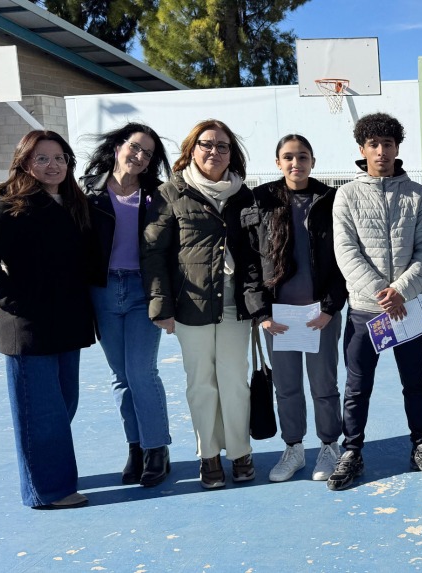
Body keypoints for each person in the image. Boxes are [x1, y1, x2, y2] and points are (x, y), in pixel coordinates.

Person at [0, 130, 96, 509]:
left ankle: (46, 472)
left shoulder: (73, 203)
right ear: (25, 162)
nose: (52, 165)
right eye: (42, 158)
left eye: (59, 158)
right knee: (40, 413)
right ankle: (48, 491)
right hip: (29, 327)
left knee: (63, 405)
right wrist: (15, 303)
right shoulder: (10, 205)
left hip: (67, 324)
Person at [329, 112, 422, 490]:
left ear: (397, 148)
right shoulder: (346, 195)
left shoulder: (416, 194)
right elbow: (346, 252)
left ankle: (421, 444)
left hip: (407, 308)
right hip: (366, 312)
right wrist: (383, 293)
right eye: (374, 144)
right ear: (362, 149)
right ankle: (352, 450)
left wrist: (401, 292)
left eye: (388, 144)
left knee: (415, 383)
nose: (381, 151)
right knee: (357, 386)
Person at [142, 119, 258, 489]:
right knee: (201, 383)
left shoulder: (244, 195)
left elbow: (255, 254)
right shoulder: (170, 193)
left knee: (234, 381)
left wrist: (259, 304)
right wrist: (161, 306)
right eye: (206, 144)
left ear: (231, 153)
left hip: (235, 304)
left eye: (222, 146)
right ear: (192, 150)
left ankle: (240, 451)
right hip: (190, 304)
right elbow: (154, 252)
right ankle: (208, 455)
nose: (214, 151)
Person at [244, 134, 347, 483]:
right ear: (278, 163)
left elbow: (344, 257)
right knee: (286, 388)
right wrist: (262, 313)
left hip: (320, 314)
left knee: (324, 385)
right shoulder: (262, 200)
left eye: (303, 156)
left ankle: (329, 446)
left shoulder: (330, 199)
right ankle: (294, 448)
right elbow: (251, 261)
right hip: (280, 317)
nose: (295, 163)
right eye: (288, 157)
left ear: (313, 162)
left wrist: (330, 307)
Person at [82, 123, 173, 488]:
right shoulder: (88, 190)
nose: (139, 156)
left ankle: (156, 449)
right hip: (103, 291)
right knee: (120, 377)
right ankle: (135, 447)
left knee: (141, 372)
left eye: (147, 154)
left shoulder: (157, 194)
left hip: (142, 290)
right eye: (135, 147)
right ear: (118, 147)